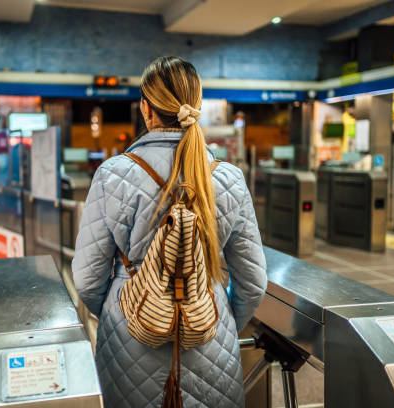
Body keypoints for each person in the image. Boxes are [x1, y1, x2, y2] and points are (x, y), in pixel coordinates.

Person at [72, 56, 267, 407]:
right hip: (211, 335)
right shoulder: (229, 178)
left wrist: (124, 311)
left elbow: (87, 280)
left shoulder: (111, 174)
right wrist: (214, 323)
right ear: (197, 106)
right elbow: (252, 282)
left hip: (130, 340)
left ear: (146, 110)